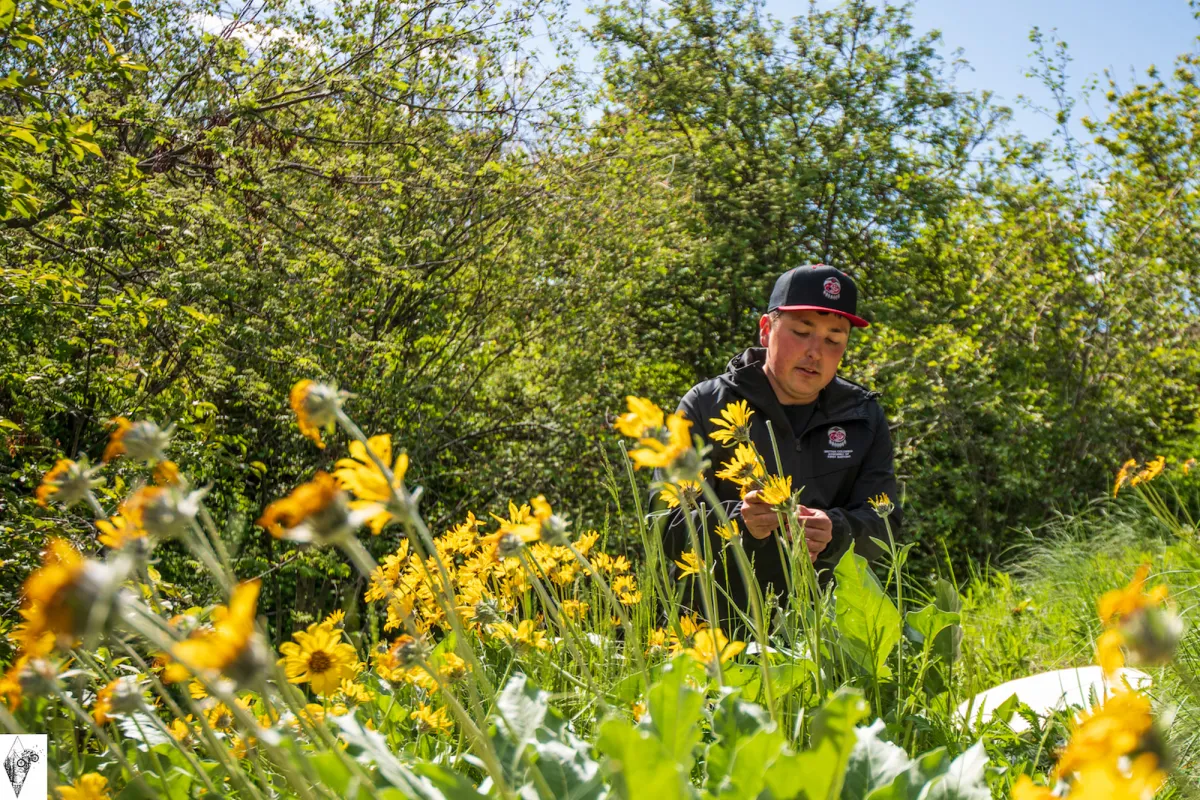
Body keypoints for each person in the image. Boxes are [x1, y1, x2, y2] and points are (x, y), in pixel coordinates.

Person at [658, 264, 901, 620]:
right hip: (713, 626)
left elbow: (887, 525)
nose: (815, 352)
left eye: (834, 340)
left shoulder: (863, 415)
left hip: (824, 629)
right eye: (802, 332)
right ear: (766, 330)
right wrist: (740, 521)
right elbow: (664, 522)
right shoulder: (705, 404)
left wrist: (835, 531)